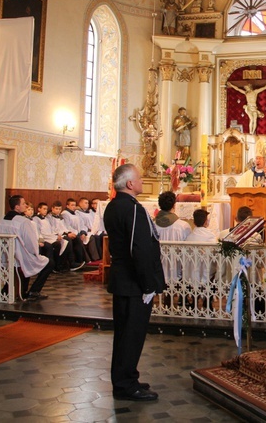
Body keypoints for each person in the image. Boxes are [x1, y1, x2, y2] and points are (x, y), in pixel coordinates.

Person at [103, 163, 165, 402]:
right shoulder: (133, 209)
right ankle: (125, 386)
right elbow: (139, 249)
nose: (141, 181)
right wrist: (148, 284)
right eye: (139, 178)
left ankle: (126, 376)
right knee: (131, 335)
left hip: (122, 280)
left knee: (124, 334)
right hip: (133, 283)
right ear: (130, 184)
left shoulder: (113, 206)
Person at [0, 195, 54, 302]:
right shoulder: (23, 221)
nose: (26, 205)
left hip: (3, 255)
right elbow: (30, 242)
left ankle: (10, 290)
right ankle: (34, 291)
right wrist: (35, 253)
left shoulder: (0, 220)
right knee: (49, 263)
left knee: (27, 264)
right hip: (19, 255)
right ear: (17, 207)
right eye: (23, 203)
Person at [237, 138, 266, 241]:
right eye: (256, 158)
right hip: (250, 206)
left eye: (260, 158)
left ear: (265, 160)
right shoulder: (248, 175)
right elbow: (238, 189)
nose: (257, 161)